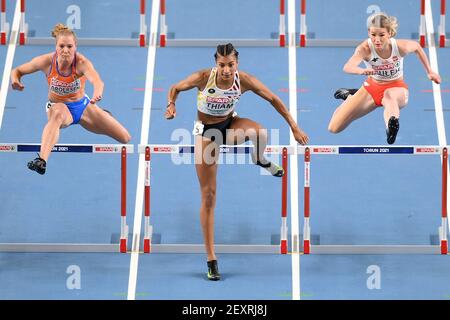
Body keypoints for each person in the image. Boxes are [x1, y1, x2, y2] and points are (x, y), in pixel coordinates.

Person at [165, 43, 308, 281]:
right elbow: (175, 88)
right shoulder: (203, 78)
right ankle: (211, 259)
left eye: (231, 65)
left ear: (236, 63)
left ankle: (260, 159)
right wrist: (172, 104)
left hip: (230, 125)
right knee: (209, 196)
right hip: (206, 134)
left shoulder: (244, 80)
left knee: (260, 133)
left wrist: (294, 127)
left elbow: (273, 99)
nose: (226, 70)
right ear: (216, 64)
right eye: (222, 65)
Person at [10, 23, 131, 174]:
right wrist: (15, 80)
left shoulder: (82, 63)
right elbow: (17, 70)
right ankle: (41, 160)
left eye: (69, 46)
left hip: (83, 106)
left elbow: (97, 81)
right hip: (58, 106)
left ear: (75, 47)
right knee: (58, 114)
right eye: (61, 46)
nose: (65, 50)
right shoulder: (46, 62)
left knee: (125, 137)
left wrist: (97, 93)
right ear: (56, 46)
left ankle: (103, 115)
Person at [328, 12, 441, 144]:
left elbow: (417, 47)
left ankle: (391, 127)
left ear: (390, 33)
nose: (377, 39)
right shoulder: (365, 49)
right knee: (334, 128)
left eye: (381, 35)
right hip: (372, 88)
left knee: (389, 96)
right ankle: (350, 96)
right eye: (373, 35)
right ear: (369, 33)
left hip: (396, 87)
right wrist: (362, 70)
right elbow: (347, 67)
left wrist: (430, 71)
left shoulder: (399, 47)